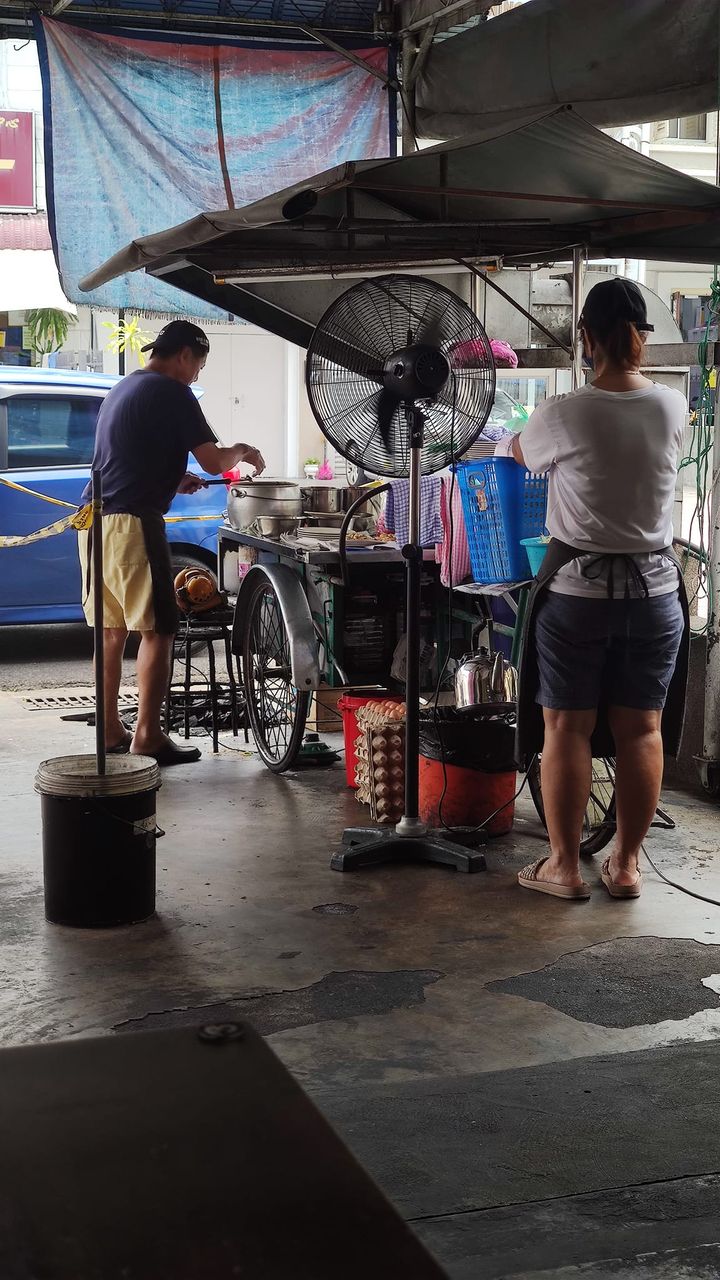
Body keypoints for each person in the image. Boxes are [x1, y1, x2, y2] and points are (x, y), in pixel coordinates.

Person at [497, 279, 689, 901]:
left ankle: (563, 867)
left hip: (579, 596)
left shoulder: (568, 410)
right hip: (657, 592)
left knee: (566, 729)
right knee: (642, 731)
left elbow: (521, 453)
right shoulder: (670, 406)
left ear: (585, 338)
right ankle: (627, 866)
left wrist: (516, 442)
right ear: (643, 339)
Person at [78, 320, 265, 766]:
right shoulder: (172, 391)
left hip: (94, 521)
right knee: (159, 629)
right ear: (184, 355)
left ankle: (109, 730)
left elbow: (125, 453)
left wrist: (172, 479)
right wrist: (244, 450)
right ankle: (148, 735)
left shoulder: (126, 387)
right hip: (132, 523)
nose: (197, 373)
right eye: (199, 363)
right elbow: (215, 459)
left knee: (111, 630)